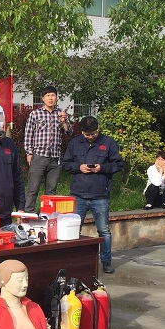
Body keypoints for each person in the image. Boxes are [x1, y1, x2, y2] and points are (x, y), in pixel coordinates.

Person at [63, 116, 123, 274]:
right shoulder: (75, 143)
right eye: (87, 134)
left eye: (93, 134)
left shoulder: (108, 142)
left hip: (100, 194)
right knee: (74, 230)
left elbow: (118, 164)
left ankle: (106, 261)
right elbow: (66, 164)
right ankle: (73, 261)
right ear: (82, 132)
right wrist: (79, 167)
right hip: (78, 193)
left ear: (98, 129)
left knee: (104, 230)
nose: (91, 137)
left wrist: (101, 168)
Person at [24, 86, 72, 212]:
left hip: (55, 157)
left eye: (53, 95)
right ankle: (28, 215)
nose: (50, 98)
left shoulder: (61, 114)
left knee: (51, 191)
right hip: (39, 155)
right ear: (43, 98)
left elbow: (69, 132)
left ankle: (47, 215)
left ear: (56, 98)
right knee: (33, 188)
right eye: (48, 96)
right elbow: (28, 134)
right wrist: (29, 153)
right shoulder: (35, 114)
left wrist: (64, 121)